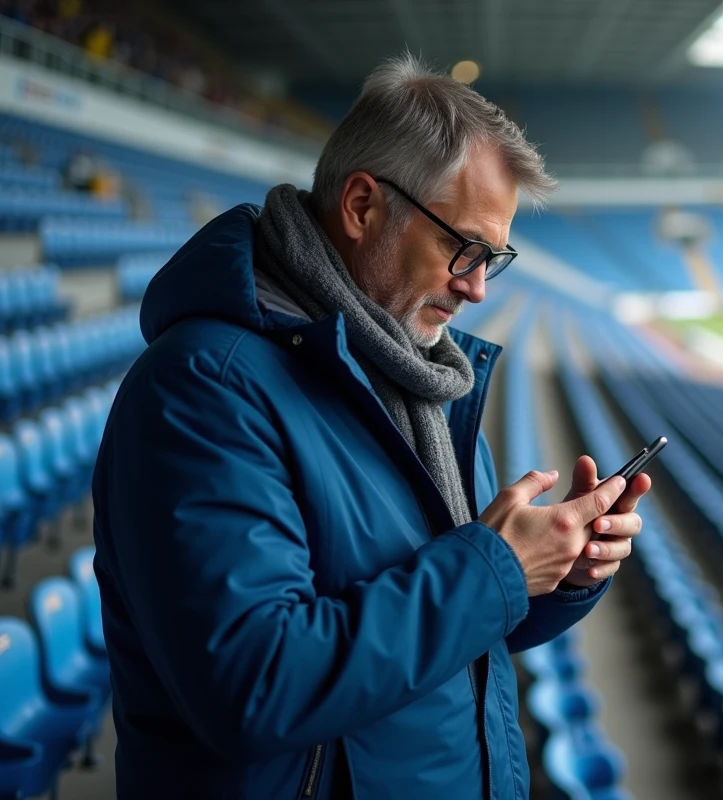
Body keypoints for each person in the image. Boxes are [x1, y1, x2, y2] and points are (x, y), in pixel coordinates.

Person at [91, 55, 652, 800]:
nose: (479, 287)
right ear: (362, 207)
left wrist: (556, 576)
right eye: (465, 248)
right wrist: (496, 570)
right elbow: (255, 686)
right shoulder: (204, 387)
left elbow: (449, 633)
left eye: (496, 258)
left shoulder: (423, 374)